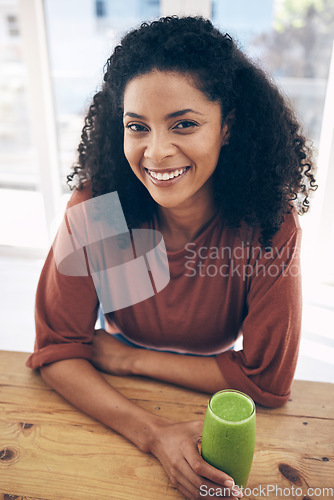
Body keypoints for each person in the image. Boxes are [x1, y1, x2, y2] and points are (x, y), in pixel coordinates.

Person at [26, 16, 317, 499]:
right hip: (129, 414)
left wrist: (129, 359)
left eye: (184, 124)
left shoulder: (268, 223)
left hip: (148, 377)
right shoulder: (98, 211)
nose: (156, 152)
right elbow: (56, 351)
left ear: (227, 127)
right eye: (137, 127)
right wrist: (153, 433)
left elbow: (267, 382)